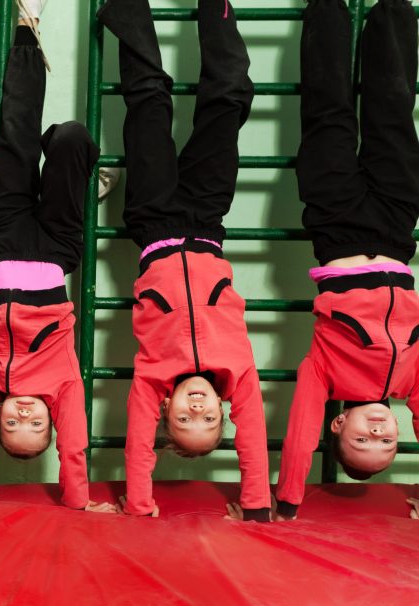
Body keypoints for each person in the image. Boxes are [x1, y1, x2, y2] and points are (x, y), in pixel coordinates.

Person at [98, 0, 270, 521]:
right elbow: (256, 439)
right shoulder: (237, 373)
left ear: (164, 412)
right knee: (230, 97)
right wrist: (258, 504)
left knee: (149, 98)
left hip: (153, 222)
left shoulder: (152, 378)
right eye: (210, 421)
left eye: (184, 422)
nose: (197, 412)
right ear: (225, 410)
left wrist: (141, 502)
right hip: (207, 218)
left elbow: (137, 447)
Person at [0, 2, 112, 513]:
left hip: (4, 238)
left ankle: (28, 26)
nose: (23, 415)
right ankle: (74, 168)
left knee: (14, 135)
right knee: (71, 137)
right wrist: (80, 502)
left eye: (12, 424)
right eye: (34, 424)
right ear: (48, 415)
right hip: (55, 248)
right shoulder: (62, 381)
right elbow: (73, 449)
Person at [275, 0, 419, 521]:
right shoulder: (410, 383)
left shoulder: (324, 378)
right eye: (387, 443)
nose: (379, 432)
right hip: (398, 223)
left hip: (335, 225)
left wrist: (288, 504)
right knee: (393, 106)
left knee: (328, 107)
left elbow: (297, 433)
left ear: (338, 426)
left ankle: (327, 6)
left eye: (364, 438)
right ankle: (394, 8)